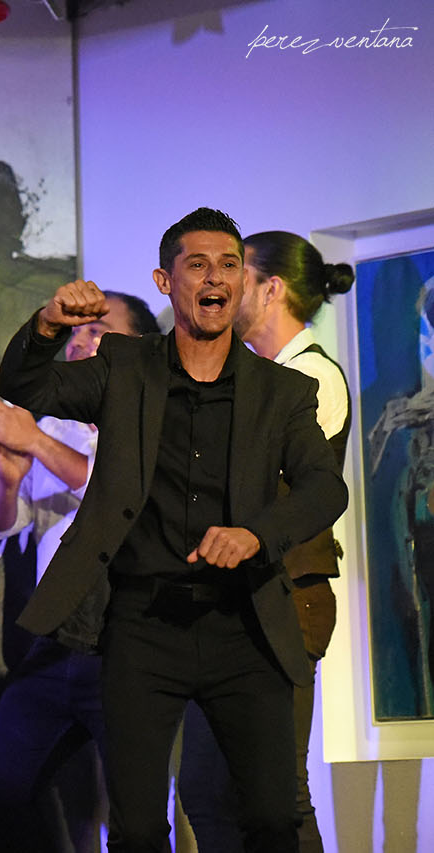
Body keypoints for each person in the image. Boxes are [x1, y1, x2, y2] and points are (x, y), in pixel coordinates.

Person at [0, 208, 348, 853]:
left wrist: (256, 535)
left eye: (229, 265)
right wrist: (47, 327)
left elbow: (326, 488)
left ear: (243, 283)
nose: (215, 278)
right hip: (142, 626)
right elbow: (25, 384)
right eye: (197, 264)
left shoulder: (283, 390)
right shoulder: (124, 368)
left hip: (243, 624)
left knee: (270, 815)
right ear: (165, 281)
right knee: (136, 827)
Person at [179, 232, 354, 852]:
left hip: (281, 602)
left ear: (271, 288)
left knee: (279, 792)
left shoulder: (311, 379)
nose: (219, 289)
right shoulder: (259, 378)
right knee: (205, 787)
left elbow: (285, 492)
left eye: (237, 274)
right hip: (230, 607)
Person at [0, 293, 159, 851]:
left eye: (97, 330)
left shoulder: (154, 419)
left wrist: (36, 441)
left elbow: (119, 497)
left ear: (140, 349)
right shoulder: (56, 427)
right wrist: (6, 481)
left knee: (137, 811)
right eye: (75, 332)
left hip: (126, 640)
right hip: (54, 641)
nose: (79, 340)